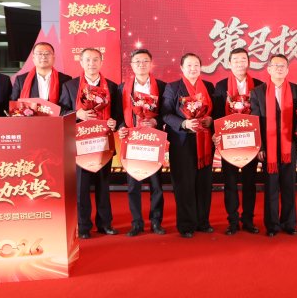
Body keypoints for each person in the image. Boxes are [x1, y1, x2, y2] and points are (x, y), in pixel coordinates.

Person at [59, 48, 122, 239]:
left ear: (101, 62)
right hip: (80, 145)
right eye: (87, 60)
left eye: (95, 60)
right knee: (81, 187)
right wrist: (77, 113)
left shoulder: (112, 87)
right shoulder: (70, 86)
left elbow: (118, 114)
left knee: (103, 185)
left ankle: (105, 224)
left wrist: (115, 123)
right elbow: (61, 111)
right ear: (81, 62)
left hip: (103, 143)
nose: (91, 63)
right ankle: (83, 226)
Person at [162, 53, 215, 238]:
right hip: (182, 142)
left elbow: (215, 111)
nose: (193, 69)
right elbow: (165, 114)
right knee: (184, 184)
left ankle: (203, 222)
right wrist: (183, 123)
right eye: (189, 65)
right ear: (182, 68)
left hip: (205, 142)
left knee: (204, 183)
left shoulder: (208, 86)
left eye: (196, 65)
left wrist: (211, 120)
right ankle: (186, 225)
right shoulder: (173, 87)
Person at [212, 47, 263, 235]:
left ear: (248, 62)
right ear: (229, 63)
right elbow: (217, 113)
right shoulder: (221, 86)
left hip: (250, 141)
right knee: (230, 182)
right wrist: (215, 133)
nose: (240, 63)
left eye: (243, 60)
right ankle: (232, 221)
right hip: (229, 141)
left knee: (250, 182)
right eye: (236, 60)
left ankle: (248, 220)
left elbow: (261, 115)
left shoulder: (258, 85)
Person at [117, 49, 167, 236]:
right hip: (133, 141)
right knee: (133, 186)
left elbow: (166, 112)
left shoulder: (161, 86)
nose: (141, 64)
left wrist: (155, 121)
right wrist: (121, 127)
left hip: (153, 141)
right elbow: (118, 113)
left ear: (151, 63)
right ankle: (136, 223)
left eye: (145, 61)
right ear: (131, 65)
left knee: (156, 185)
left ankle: (156, 221)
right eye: (137, 61)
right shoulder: (122, 88)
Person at [252, 54, 297, 237]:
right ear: (269, 69)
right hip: (269, 148)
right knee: (271, 186)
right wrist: (260, 147)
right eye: (276, 65)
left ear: (287, 70)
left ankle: (289, 223)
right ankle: (272, 225)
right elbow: (256, 122)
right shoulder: (258, 92)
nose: (279, 69)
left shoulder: (296, 90)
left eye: (283, 66)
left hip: (290, 145)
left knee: (289, 185)